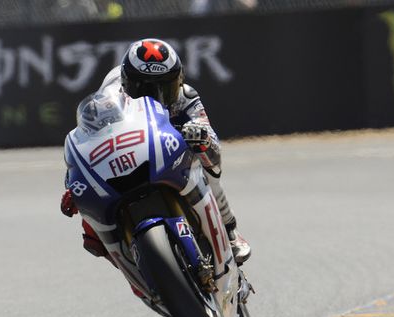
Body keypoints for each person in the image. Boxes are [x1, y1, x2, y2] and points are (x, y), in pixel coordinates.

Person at [61, 38, 251, 268]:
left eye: (165, 86)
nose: (157, 96)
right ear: (126, 81)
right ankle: (132, 268)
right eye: (145, 89)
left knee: (207, 165)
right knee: (91, 230)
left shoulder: (186, 97)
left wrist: (201, 138)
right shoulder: (111, 91)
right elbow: (88, 134)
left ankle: (229, 228)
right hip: (132, 142)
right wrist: (74, 183)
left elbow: (214, 152)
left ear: (178, 80)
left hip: (169, 141)